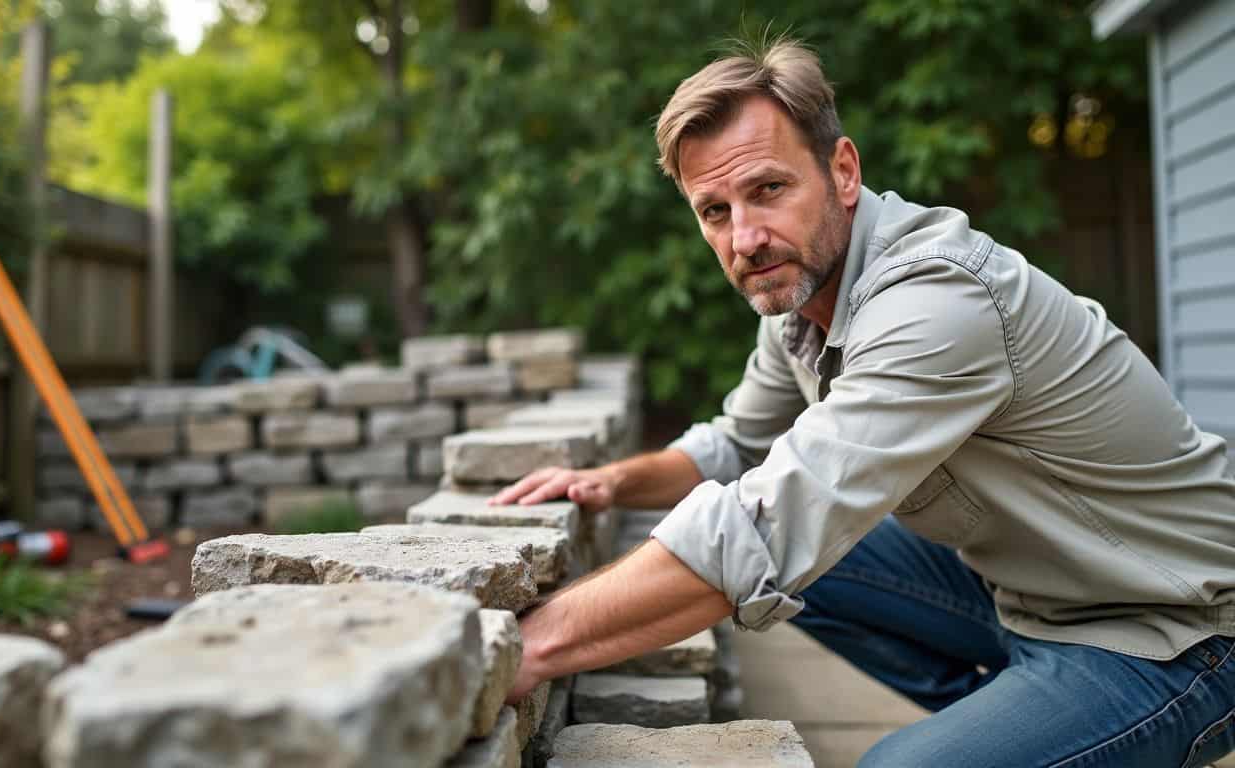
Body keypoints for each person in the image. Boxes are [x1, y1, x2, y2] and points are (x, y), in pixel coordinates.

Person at [491, 37, 1235, 767]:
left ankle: (1059, 729)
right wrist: (615, 482)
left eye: (768, 189)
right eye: (714, 211)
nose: (745, 237)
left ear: (842, 171)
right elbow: (735, 447)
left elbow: (768, 530)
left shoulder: (934, 302)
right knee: (819, 557)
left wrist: (517, 650)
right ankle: (1031, 723)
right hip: (1032, 592)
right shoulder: (801, 303)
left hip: (1174, 627)